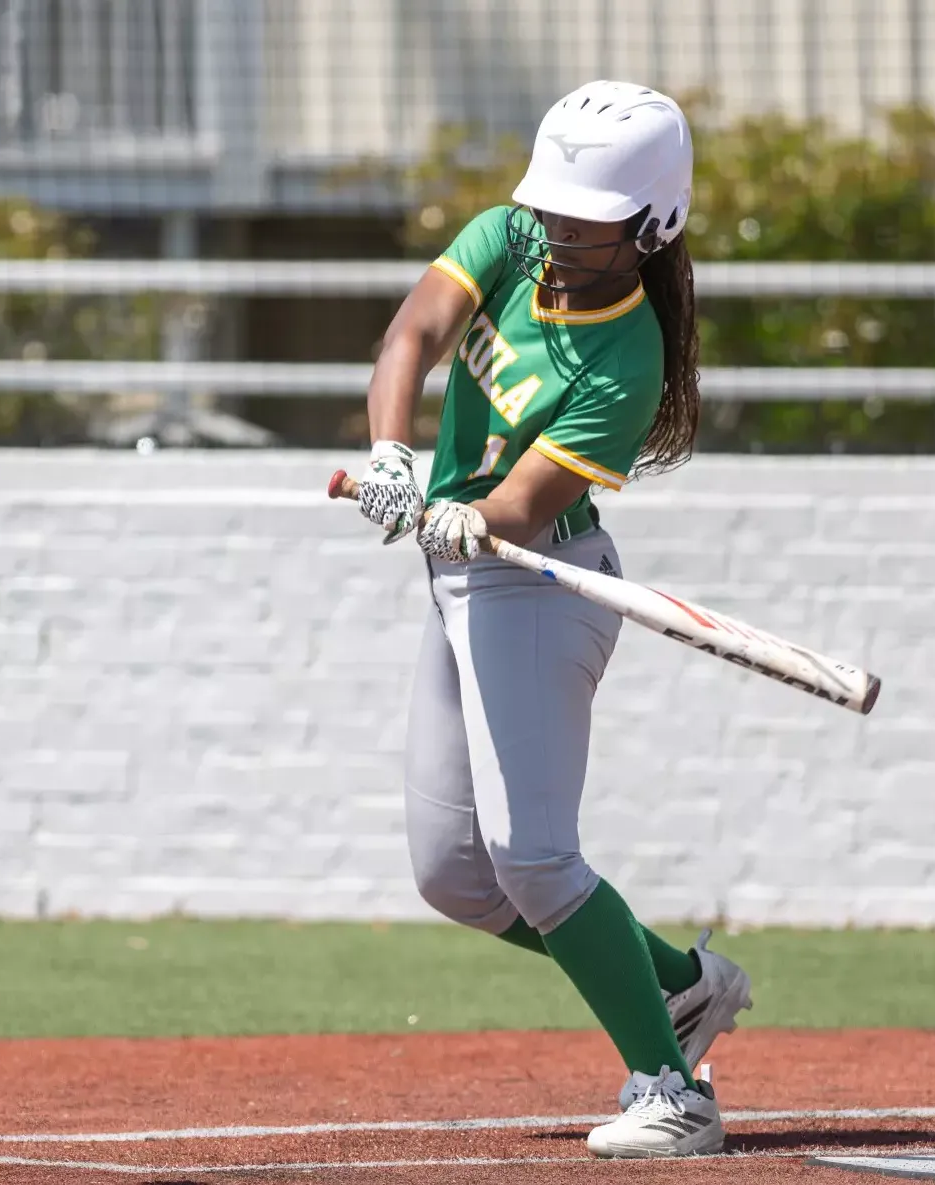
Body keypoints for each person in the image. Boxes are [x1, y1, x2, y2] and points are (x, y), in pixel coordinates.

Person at [354, 80, 753, 1159]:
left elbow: (516, 511)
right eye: (554, 204)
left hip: (538, 584)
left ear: (650, 227)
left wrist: (455, 516)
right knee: (454, 873)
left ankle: (676, 1091)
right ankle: (679, 984)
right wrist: (395, 456)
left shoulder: (628, 363)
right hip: (460, 586)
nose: (559, 229)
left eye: (587, 217)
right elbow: (411, 336)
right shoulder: (507, 236)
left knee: (533, 857)